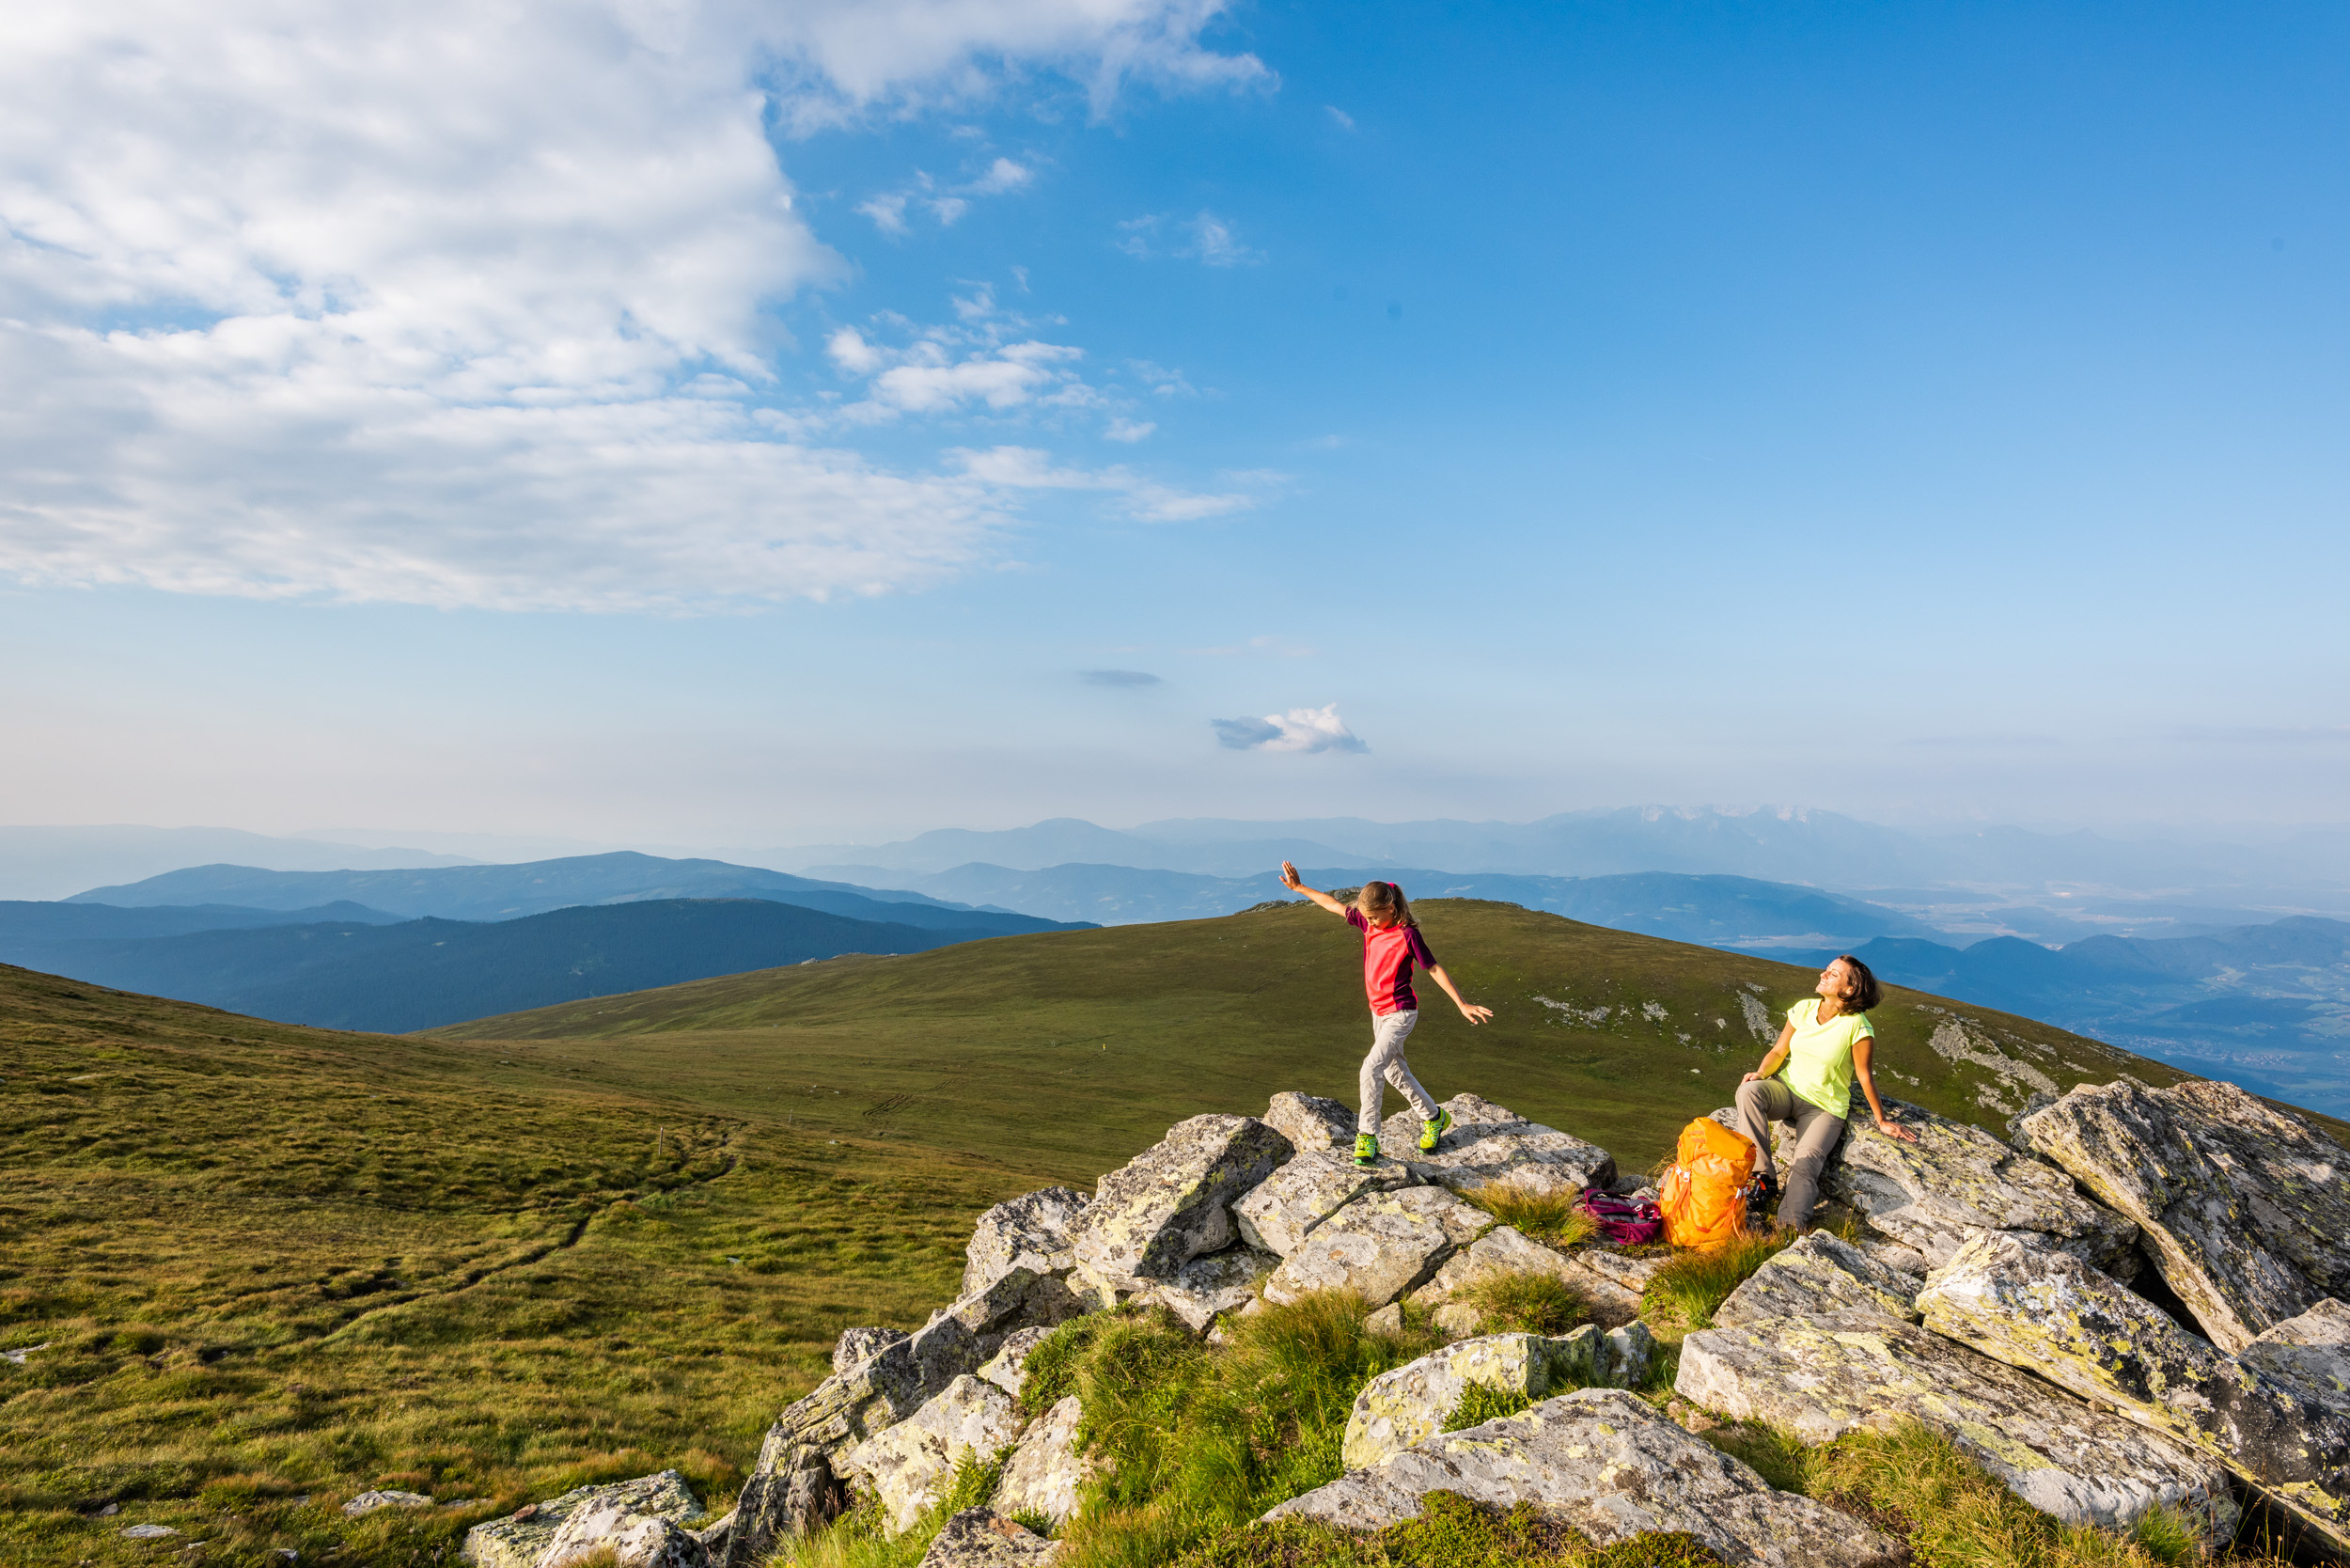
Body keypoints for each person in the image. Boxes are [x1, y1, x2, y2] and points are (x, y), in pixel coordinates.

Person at [1279, 862, 1494, 1168]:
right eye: (1366, 917)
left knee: (1370, 1068)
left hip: (1401, 1013)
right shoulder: (1369, 925)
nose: (1369, 923)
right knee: (1394, 1072)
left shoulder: (1407, 935)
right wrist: (1300, 888)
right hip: (1378, 1013)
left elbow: (1433, 968)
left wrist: (1461, 1003)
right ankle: (1434, 1117)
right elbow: (1334, 905)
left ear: (1390, 909)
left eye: (1373, 917)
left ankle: (1367, 1136)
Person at [1734, 953, 1917, 1229]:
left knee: (1804, 1163)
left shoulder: (1857, 1026)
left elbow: (1864, 1076)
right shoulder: (1803, 1009)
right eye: (1827, 969)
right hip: (1787, 1089)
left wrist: (1881, 1120)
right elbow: (1779, 1051)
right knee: (1748, 1091)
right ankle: (1763, 1177)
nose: (1823, 974)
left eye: (1833, 974)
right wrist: (1760, 1074)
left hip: (1823, 1107)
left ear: (1849, 989)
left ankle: (1791, 1229)